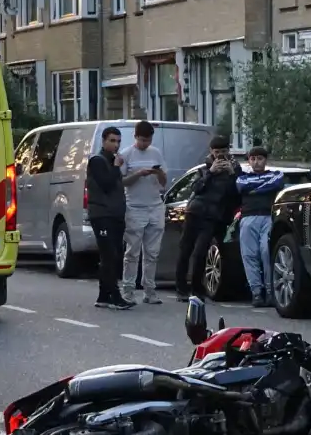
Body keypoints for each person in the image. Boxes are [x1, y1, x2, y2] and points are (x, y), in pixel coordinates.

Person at [175, 136, 244, 302]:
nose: (220, 155)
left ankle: (197, 290)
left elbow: (238, 192)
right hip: (195, 212)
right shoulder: (205, 168)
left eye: (224, 152)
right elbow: (196, 188)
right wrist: (210, 173)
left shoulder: (235, 168)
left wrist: (232, 173)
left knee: (200, 253)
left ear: (229, 151)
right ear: (211, 152)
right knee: (185, 250)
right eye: (217, 152)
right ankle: (181, 288)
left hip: (213, 216)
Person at [119, 120, 168, 305]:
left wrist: (158, 173)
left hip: (155, 206)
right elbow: (121, 182)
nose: (144, 144)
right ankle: (128, 291)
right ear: (135, 137)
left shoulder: (156, 153)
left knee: (152, 253)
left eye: (147, 140)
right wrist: (139, 174)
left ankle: (149, 290)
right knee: (132, 252)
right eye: (141, 140)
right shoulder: (126, 155)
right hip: (134, 207)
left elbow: (164, 181)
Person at [86, 126, 134, 310]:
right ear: (104, 141)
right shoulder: (97, 161)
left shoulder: (113, 160)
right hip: (102, 214)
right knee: (109, 255)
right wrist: (115, 168)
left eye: (118, 141)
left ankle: (103, 295)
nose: (116, 145)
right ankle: (114, 295)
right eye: (112, 141)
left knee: (114, 254)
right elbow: (105, 184)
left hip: (115, 213)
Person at [235, 146, 285, 307]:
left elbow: (276, 183)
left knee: (267, 253)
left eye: (260, 159)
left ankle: (271, 292)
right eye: (253, 159)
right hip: (248, 218)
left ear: (266, 160)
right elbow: (242, 187)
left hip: (268, 217)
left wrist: (254, 189)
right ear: (249, 161)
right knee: (250, 256)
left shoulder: (276, 175)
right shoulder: (242, 178)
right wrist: (263, 187)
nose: (256, 162)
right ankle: (256, 292)